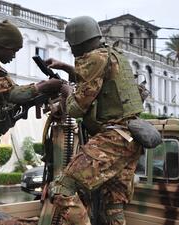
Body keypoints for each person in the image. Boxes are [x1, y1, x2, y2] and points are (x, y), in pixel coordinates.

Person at [45, 16, 144, 224]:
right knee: (113, 203)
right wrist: (66, 68)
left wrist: (65, 90)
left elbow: (76, 109)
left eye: (71, 46)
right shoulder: (113, 55)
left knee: (62, 188)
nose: (71, 51)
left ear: (77, 42)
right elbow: (98, 81)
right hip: (131, 138)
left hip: (112, 138)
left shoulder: (92, 59)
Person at [0, 20, 62, 225]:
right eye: (14, 50)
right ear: (5, 46)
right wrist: (45, 86)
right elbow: (15, 93)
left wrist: (39, 90)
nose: (14, 56)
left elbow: (12, 90)